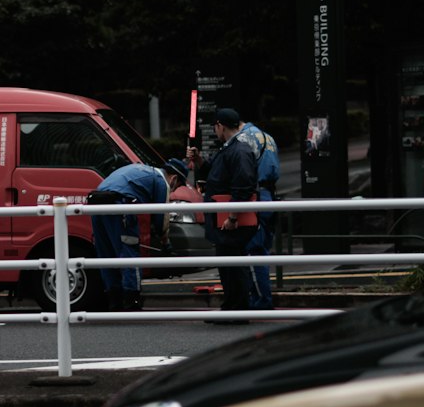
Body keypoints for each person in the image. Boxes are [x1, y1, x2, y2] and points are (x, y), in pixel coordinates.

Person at [87, 159, 188, 311]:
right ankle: (131, 300)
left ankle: (114, 300)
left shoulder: (141, 169)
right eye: (175, 188)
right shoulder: (160, 180)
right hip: (119, 206)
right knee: (129, 252)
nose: (172, 192)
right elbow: (161, 219)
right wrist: (166, 244)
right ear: (174, 179)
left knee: (106, 254)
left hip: (96, 203)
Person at [196, 107, 259, 316]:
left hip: (230, 218)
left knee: (233, 264)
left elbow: (243, 185)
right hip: (224, 216)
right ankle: (231, 307)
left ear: (220, 126)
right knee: (228, 264)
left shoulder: (237, 150)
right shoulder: (232, 148)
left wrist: (232, 216)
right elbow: (215, 172)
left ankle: (237, 309)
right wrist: (198, 161)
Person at [239, 119, 281, 311]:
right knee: (262, 248)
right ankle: (261, 297)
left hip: (255, 197)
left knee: (253, 251)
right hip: (270, 196)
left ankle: (262, 299)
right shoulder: (268, 137)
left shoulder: (244, 138)